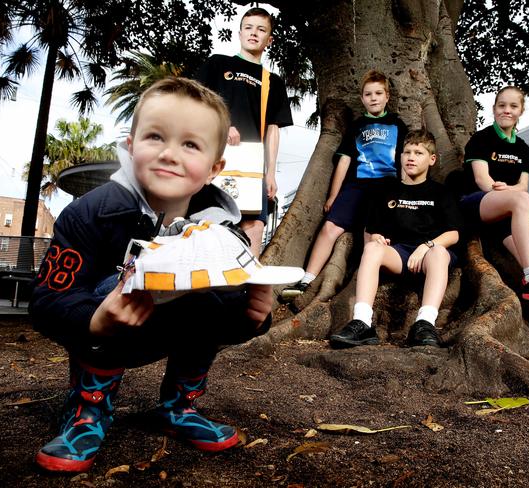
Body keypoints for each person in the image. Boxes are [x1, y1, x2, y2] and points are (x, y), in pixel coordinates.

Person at [29, 77, 273, 473]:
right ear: (130, 145)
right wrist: (95, 320)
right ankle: (86, 413)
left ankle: (180, 406)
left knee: (224, 294)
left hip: (183, 328)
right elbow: (47, 301)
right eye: (156, 136)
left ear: (215, 167)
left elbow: (233, 317)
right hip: (109, 333)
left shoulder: (229, 235)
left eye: (190, 144)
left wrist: (253, 318)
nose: (170, 154)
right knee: (119, 285)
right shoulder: (89, 213)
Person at [281, 69, 408, 301]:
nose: (374, 98)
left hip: (387, 187)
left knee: (373, 235)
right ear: (362, 99)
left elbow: (406, 160)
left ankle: (363, 290)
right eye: (368, 94)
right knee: (330, 228)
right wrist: (333, 195)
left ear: (387, 96)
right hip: (357, 185)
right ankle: (307, 279)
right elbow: (344, 160)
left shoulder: (398, 125)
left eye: (379, 93)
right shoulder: (357, 127)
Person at [329, 129, 463, 348]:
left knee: (438, 252)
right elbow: (372, 229)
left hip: (430, 256)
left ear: (432, 159)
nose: (411, 157)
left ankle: (424, 324)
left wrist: (425, 247)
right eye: (407, 152)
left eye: (418, 153)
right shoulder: (387, 191)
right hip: (399, 255)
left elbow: (453, 234)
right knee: (372, 248)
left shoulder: (440, 193)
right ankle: (362, 322)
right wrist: (377, 237)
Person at [460, 86, 529, 315]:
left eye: (513, 106)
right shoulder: (481, 139)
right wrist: (502, 191)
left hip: (506, 214)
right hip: (477, 205)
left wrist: (510, 191)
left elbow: (522, 185)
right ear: (494, 109)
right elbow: (482, 179)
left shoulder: (522, 147)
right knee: (521, 200)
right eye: (502, 105)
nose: (506, 110)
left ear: (521, 110)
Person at [196, 7, 293, 256]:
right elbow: (194, 103)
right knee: (208, 222)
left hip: (251, 166)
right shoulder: (217, 64)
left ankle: (245, 287)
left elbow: (273, 128)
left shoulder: (273, 82)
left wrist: (270, 173)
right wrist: (222, 124)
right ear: (239, 33)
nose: (254, 33)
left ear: (269, 40)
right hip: (212, 159)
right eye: (248, 27)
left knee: (255, 224)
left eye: (261, 30)